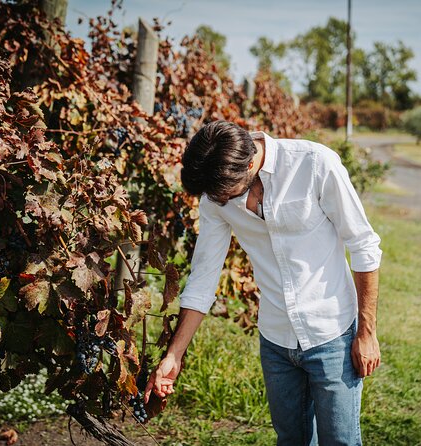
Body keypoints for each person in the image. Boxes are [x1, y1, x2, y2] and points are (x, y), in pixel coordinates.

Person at [144, 120, 382, 446]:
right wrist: (174, 355)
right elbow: (203, 277)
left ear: (249, 164)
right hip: (275, 342)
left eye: (223, 194)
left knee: (340, 442)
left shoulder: (314, 164)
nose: (217, 201)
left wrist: (367, 333)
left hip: (333, 335)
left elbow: (364, 246)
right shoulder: (217, 197)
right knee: (290, 441)